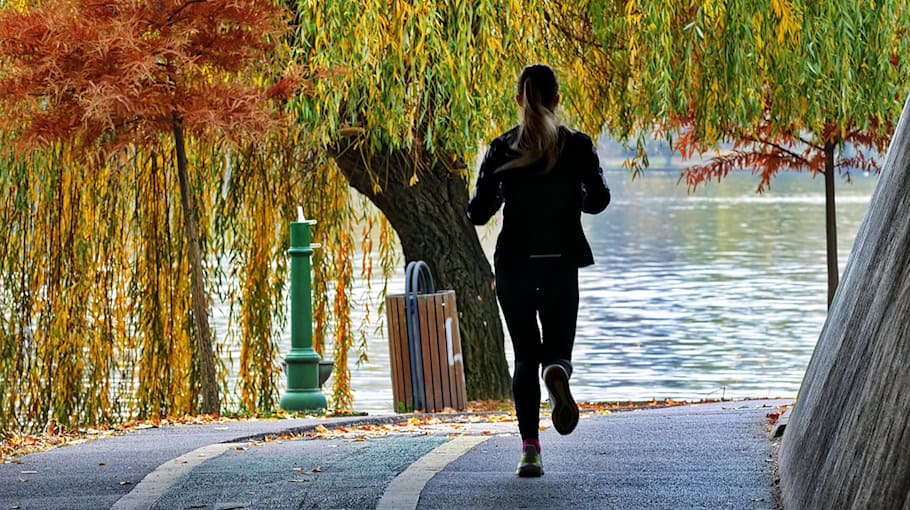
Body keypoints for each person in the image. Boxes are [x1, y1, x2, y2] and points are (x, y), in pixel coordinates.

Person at [466, 64, 611, 478]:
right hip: (561, 261)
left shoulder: (501, 149)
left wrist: (474, 201)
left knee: (524, 357)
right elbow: (598, 199)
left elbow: (480, 212)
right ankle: (558, 372)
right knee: (556, 352)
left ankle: (530, 450)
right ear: (557, 100)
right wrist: (572, 195)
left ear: (519, 100)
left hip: (514, 263)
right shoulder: (578, 146)